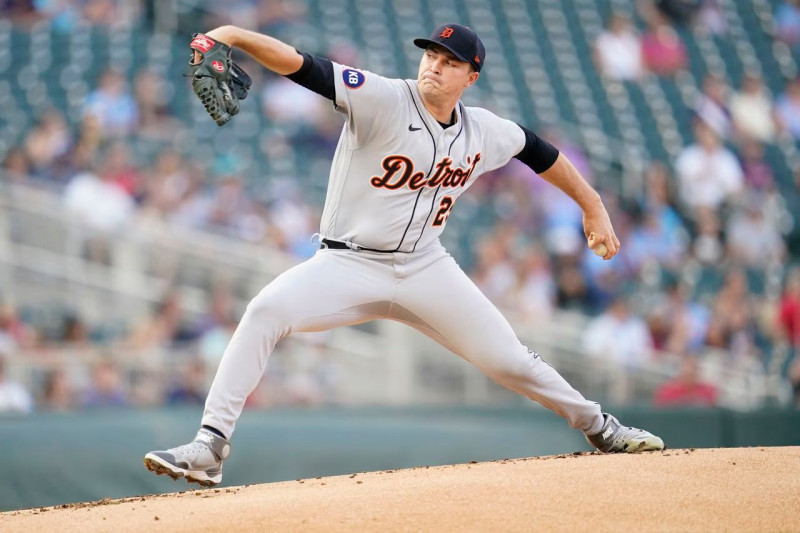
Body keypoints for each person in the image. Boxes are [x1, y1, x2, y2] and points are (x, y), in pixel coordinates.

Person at [144, 23, 664, 488]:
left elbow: (540, 152)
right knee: (264, 312)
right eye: (430, 55)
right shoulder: (383, 97)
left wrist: (592, 204)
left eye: (449, 61)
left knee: (510, 362)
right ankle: (210, 447)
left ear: (471, 77)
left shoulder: (484, 130)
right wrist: (233, 34)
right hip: (346, 264)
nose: (434, 66)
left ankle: (602, 428)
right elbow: (302, 64)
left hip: (424, 266)